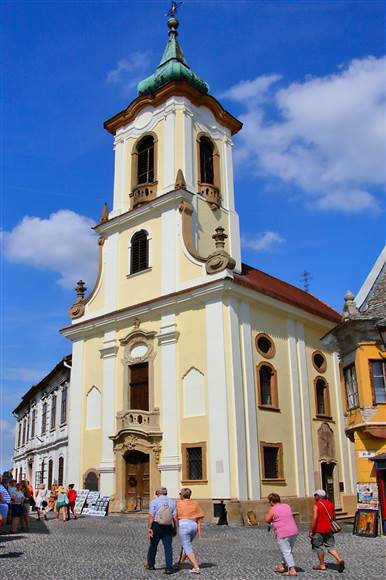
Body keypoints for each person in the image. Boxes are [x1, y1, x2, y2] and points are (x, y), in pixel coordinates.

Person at [309, 489, 345, 573]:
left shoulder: (316, 505)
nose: (314, 497)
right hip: (329, 529)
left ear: (318, 496)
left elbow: (314, 518)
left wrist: (311, 530)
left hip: (319, 529)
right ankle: (339, 560)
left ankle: (322, 565)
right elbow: (333, 517)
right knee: (330, 546)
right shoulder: (330, 504)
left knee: (318, 547)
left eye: (315, 495)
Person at [264, 493, 298, 577]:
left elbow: (267, 519)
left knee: (286, 551)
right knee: (288, 550)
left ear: (271, 501)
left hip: (283, 532)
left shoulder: (273, 509)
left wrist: (267, 513)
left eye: (269, 501)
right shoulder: (287, 506)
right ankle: (282, 565)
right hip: (293, 531)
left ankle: (292, 570)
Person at [145, 486, 177, 575]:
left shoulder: (154, 502)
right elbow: (175, 517)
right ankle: (169, 568)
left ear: (157, 493)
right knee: (168, 547)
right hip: (168, 526)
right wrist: (175, 528)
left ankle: (150, 565)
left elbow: (151, 516)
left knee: (153, 545)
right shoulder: (172, 502)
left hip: (156, 525)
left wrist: (149, 528)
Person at [176, 488, 204, 575]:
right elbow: (200, 516)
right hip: (193, 525)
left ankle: (196, 567)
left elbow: (175, 515)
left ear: (182, 495)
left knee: (187, 546)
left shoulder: (179, 504)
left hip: (184, 525)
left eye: (180, 494)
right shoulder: (195, 503)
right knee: (186, 544)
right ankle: (180, 562)